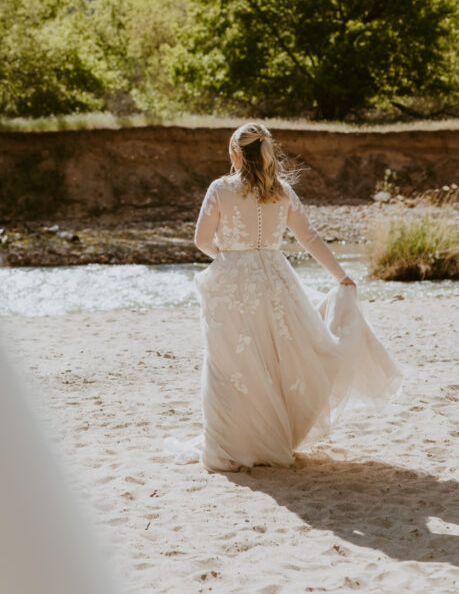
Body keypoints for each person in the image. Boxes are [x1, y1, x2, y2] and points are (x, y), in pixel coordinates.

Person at [169, 122, 401, 472]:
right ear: (265, 152)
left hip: (230, 285)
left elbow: (202, 241)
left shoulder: (220, 189)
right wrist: (341, 276)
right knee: (276, 362)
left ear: (235, 152)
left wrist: (230, 257)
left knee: (229, 365)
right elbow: (310, 239)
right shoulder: (283, 192)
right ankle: (268, 442)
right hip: (278, 281)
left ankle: (231, 444)